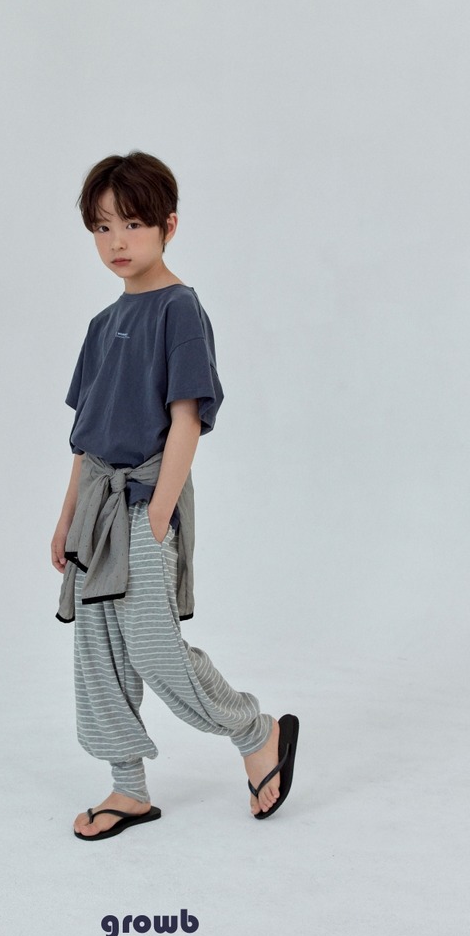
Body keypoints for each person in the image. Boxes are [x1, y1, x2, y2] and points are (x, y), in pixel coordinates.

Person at [50, 152, 299, 841]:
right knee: (99, 651)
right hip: (95, 508)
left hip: (142, 502)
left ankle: (256, 731)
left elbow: (186, 417)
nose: (117, 241)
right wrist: (65, 519)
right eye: (103, 227)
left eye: (133, 224)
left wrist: (157, 514)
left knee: (154, 647)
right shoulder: (101, 325)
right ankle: (127, 787)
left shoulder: (179, 308)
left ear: (169, 225)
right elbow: (84, 439)